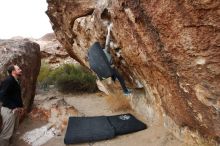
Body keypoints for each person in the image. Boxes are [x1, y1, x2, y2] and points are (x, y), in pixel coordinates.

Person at [103, 23, 132, 96]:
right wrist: (109, 30)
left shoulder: (102, 55)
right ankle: (125, 91)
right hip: (112, 69)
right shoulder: (105, 50)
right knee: (120, 78)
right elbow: (107, 41)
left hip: (108, 70)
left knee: (116, 78)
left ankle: (121, 89)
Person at [0, 65, 25, 146]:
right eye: (18, 69)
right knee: (6, 134)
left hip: (15, 110)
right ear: (13, 71)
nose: (20, 70)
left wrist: (20, 107)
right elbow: (2, 96)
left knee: (14, 131)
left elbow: (16, 96)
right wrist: (13, 107)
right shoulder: (8, 80)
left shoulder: (15, 80)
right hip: (9, 111)